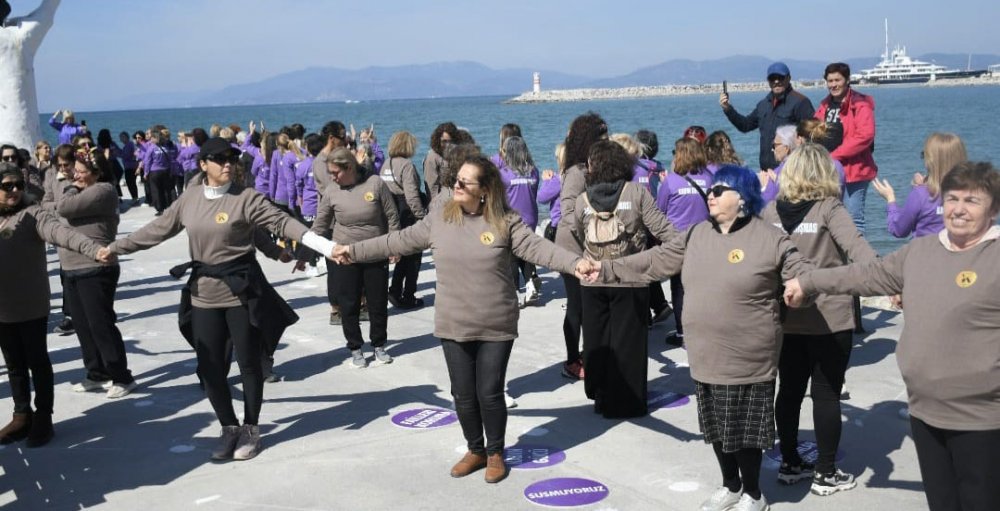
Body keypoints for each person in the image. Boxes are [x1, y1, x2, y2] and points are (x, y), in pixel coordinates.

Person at [334, 155, 593, 484]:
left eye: (463, 182)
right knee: (463, 393)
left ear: (484, 190)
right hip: (453, 321)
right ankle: (475, 450)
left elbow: (540, 249)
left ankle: (495, 452)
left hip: (495, 322)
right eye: (456, 180)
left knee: (489, 391)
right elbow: (395, 241)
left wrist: (575, 263)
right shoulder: (440, 219)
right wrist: (352, 251)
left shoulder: (505, 221)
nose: (455, 185)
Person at [586, 165, 814, 511]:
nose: (711, 194)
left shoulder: (769, 238)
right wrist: (606, 268)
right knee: (716, 426)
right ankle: (731, 486)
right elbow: (654, 261)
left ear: (743, 198)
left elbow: (802, 273)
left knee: (745, 430)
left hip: (749, 355)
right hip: (705, 354)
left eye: (719, 190)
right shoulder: (695, 234)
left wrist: (802, 289)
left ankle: (754, 494)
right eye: (710, 189)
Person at [784, 161, 1000, 511]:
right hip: (926, 411)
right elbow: (865, 275)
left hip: (982, 418)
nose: (959, 209)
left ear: (994, 208)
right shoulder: (921, 250)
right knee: (942, 502)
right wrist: (808, 281)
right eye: (952, 199)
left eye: (972, 201)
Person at [105, 138, 337, 461]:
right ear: (203, 164)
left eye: (231, 158)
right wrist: (114, 248)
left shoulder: (245, 197)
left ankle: (251, 428)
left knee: (249, 364)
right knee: (210, 367)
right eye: (219, 158)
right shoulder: (189, 199)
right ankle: (228, 427)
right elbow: (157, 229)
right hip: (204, 294)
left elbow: (279, 222)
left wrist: (325, 247)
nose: (228, 163)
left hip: (241, 292)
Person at [760, 143, 877, 496]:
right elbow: (859, 250)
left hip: (786, 317)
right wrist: (889, 278)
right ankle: (825, 472)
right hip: (830, 316)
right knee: (826, 395)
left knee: (789, 391)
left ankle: (790, 462)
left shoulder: (769, 212)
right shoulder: (829, 209)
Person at [0, 163, 105, 447]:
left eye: (18, 185)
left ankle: (43, 416)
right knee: (13, 364)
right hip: (2, 308)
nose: (14, 190)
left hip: (30, 304)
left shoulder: (33, 214)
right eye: (7, 186)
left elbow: (61, 233)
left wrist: (93, 249)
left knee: (37, 360)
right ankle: (21, 415)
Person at [573, 140, 676, 418]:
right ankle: (628, 402)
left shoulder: (582, 199)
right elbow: (661, 229)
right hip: (631, 278)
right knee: (629, 342)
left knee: (596, 340)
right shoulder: (637, 192)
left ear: (593, 166)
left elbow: (578, 234)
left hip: (593, 278)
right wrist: (686, 246)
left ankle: (600, 394)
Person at [306, 147, 399, 368]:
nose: (332, 177)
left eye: (335, 172)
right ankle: (355, 348)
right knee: (348, 304)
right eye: (330, 173)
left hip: (375, 253)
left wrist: (395, 246)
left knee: (377, 303)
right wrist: (304, 252)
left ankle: (379, 345)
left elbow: (392, 216)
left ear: (349, 167)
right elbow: (320, 225)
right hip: (345, 256)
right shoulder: (332, 191)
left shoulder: (375, 183)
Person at [56, 148, 138, 399]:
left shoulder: (103, 190)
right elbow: (50, 204)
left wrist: (70, 187)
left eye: (82, 172)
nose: (76, 176)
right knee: (82, 325)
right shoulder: (81, 190)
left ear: (97, 173)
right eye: (75, 171)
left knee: (100, 324)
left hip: (95, 266)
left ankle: (122, 376)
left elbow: (63, 207)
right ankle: (96, 373)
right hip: (71, 267)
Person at [554, 112, 608, 381]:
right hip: (572, 248)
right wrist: (591, 234)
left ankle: (591, 353)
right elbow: (568, 212)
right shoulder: (576, 173)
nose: (607, 140)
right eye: (602, 137)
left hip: (591, 246)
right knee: (577, 306)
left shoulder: (593, 169)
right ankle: (572, 360)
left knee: (591, 306)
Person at [656, 137, 713, 347]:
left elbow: (660, 210)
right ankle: (703, 328)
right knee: (701, 287)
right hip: (704, 240)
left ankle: (682, 332)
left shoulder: (671, 181)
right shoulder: (709, 179)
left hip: (677, 241)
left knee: (679, 288)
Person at [815, 62, 877, 234]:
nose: (833, 85)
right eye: (830, 81)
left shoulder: (860, 104)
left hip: (855, 171)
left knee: (854, 220)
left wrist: (835, 155)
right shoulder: (825, 105)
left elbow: (865, 135)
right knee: (830, 217)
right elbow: (814, 131)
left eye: (837, 80)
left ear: (847, 80)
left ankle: (858, 252)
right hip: (828, 171)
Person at [720, 62, 815, 171]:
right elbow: (745, 125)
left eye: (780, 77)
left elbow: (813, 136)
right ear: (768, 81)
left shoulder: (801, 102)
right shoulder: (763, 105)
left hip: (791, 169)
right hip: (766, 171)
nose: (776, 81)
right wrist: (727, 108)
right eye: (772, 78)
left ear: (788, 78)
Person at [872, 133, 966, 239]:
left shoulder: (920, 195)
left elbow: (899, 230)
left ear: (931, 161)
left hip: (926, 249)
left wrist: (890, 199)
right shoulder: (972, 193)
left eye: (924, 155)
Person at [381, 131, 428, 309]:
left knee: (402, 255)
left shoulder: (386, 164)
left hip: (392, 212)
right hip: (407, 213)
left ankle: (395, 290)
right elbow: (412, 197)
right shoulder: (407, 166)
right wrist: (422, 217)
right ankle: (409, 295)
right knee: (414, 256)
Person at [498, 136, 542, 306]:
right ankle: (531, 284)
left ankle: (515, 291)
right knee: (527, 252)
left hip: (512, 220)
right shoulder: (534, 172)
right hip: (531, 218)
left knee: (511, 257)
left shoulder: (504, 174)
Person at [141, 126, 178, 216]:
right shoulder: (166, 147)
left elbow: (147, 161)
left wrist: (146, 173)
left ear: (154, 138)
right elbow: (170, 159)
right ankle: (168, 205)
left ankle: (160, 208)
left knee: (156, 190)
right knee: (165, 189)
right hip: (165, 170)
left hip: (155, 171)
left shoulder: (151, 148)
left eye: (152, 138)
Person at [423, 122, 458, 202]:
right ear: (438, 140)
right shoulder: (432, 157)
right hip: (443, 202)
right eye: (444, 141)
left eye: (450, 141)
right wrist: (436, 206)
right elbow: (432, 188)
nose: (448, 145)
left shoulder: (457, 154)